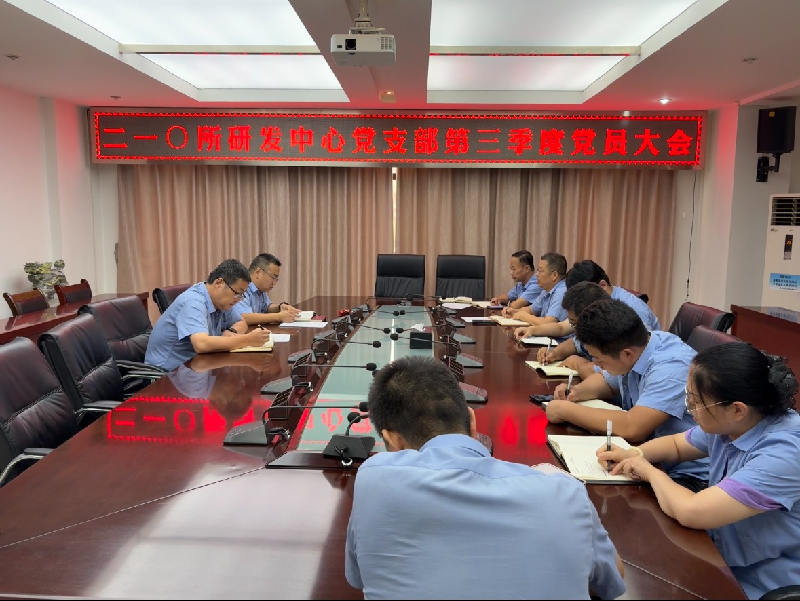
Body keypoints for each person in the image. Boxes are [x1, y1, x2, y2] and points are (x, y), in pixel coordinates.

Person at [345, 355, 626, 600]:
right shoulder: (564, 492)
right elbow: (610, 580)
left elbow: (359, 578)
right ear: (472, 421)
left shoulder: (373, 479)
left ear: (391, 440)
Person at [598, 344, 800, 600]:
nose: (690, 409)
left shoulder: (785, 453)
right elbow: (676, 445)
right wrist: (634, 454)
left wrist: (649, 472)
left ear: (737, 409)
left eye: (695, 402)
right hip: (718, 553)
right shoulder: (735, 421)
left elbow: (692, 511)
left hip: (763, 581)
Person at [546, 298, 709, 490]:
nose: (596, 365)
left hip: (687, 476)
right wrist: (576, 391)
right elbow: (606, 381)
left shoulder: (671, 367)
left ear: (626, 354)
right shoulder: (640, 346)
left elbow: (634, 427)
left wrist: (565, 410)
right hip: (645, 456)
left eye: (599, 359)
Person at [144, 259, 270, 371]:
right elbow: (201, 344)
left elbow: (241, 322)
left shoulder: (220, 302)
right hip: (166, 376)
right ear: (219, 283)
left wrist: (231, 331)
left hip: (195, 367)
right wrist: (248, 340)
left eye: (241, 295)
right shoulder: (193, 302)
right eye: (237, 293)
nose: (238, 299)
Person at [234, 253, 301, 325]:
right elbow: (243, 317)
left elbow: (266, 307)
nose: (274, 283)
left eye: (276, 279)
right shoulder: (241, 286)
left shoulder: (260, 289)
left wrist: (280, 307)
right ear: (258, 272)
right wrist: (279, 316)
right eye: (273, 277)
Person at [509, 252, 568, 326]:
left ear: (554, 275)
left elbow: (548, 324)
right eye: (537, 270)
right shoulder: (546, 290)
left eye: (540, 271)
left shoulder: (561, 292)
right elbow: (531, 310)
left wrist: (525, 317)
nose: (536, 274)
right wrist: (513, 312)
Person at [490, 250, 542, 315]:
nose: (511, 273)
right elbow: (508, 296)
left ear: (526, 269)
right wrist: (498, 300)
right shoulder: (521, 283)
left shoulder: (537, 284)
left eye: (513, 269)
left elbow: (515, 306)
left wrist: (510, 303)